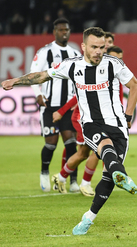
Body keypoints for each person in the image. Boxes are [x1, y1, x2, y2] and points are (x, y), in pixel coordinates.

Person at [2, 27, 137, 235]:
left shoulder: (114, 64)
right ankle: (121, 173)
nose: (98, 52)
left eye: (102, 47)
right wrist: (16, 80)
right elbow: (42, 75)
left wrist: (128, 116)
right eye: (94, 47)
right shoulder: (72, 66)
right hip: (91, 124)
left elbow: (135, 86)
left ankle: (88, 217)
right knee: (104, 145)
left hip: (118, 125)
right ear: (84, 46)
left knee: (108, 177)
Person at [51, 45, 125, 197]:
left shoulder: (116, 73)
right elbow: (77, 96)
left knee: (84, 153)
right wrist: (62, 110)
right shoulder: (94, 71)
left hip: (104, 119)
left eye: (120, 59)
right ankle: (85, 184)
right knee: (98, 150)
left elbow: (116, 100)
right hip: (84, 118)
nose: (117, 61)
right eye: (115, 57)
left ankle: (60, 177)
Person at [30, 18, 81, 193]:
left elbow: (79, 79)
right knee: (51, 144)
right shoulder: (45, 52)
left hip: (67, 107)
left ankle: (73, 181)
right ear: (54, 32)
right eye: (60, 30)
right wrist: (37, 94)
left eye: (66, 30)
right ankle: (44, 172)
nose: (64, 32)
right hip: (49, 106)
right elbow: (33, 74)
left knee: (71, 144)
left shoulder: (75, 54)